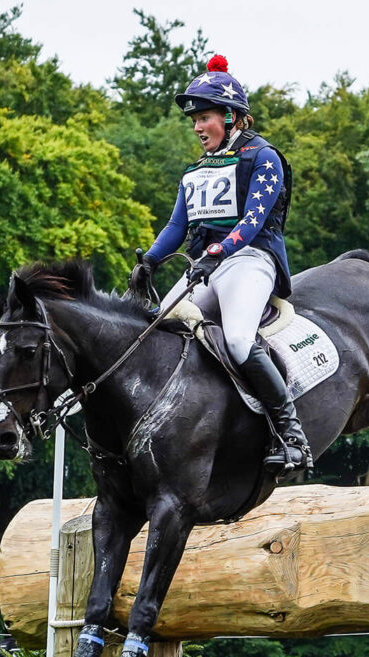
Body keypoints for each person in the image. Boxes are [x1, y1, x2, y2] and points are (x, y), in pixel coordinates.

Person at [129, 54, 309, 473]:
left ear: (231, 117)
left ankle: (291, 432)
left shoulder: (264, 159)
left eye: (203, 117)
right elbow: (177, 225)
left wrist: (217, 253)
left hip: (250, 260)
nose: (196, 128)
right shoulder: (196, 171)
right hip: (206, 265)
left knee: (240, 342)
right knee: (154, 327)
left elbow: (251, 224)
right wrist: (150, 261)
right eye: (193, 120)